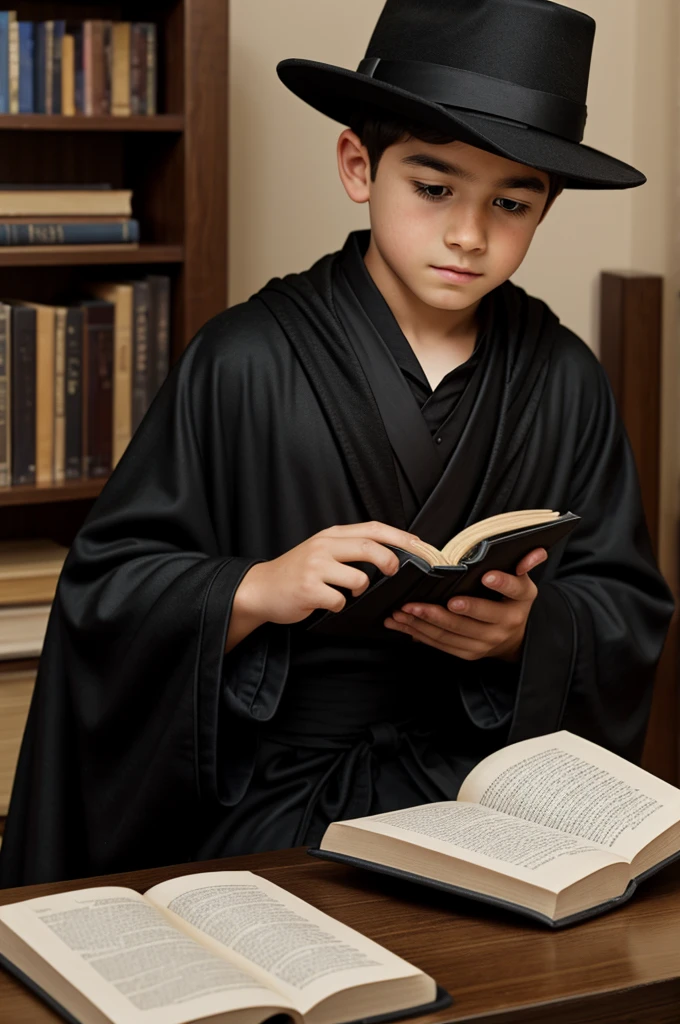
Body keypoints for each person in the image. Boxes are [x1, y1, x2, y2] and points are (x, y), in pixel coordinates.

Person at [0, 0, 674, 887]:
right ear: (360, 164)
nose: (469, 234)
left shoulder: (564, 377)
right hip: (267, 801)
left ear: (543, 210)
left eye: (511, 203)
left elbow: (625, 604)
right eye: (434, 188)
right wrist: (254, 589)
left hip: (481, 794)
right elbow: (108, 589)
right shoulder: (242, 358)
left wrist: (526, 634)